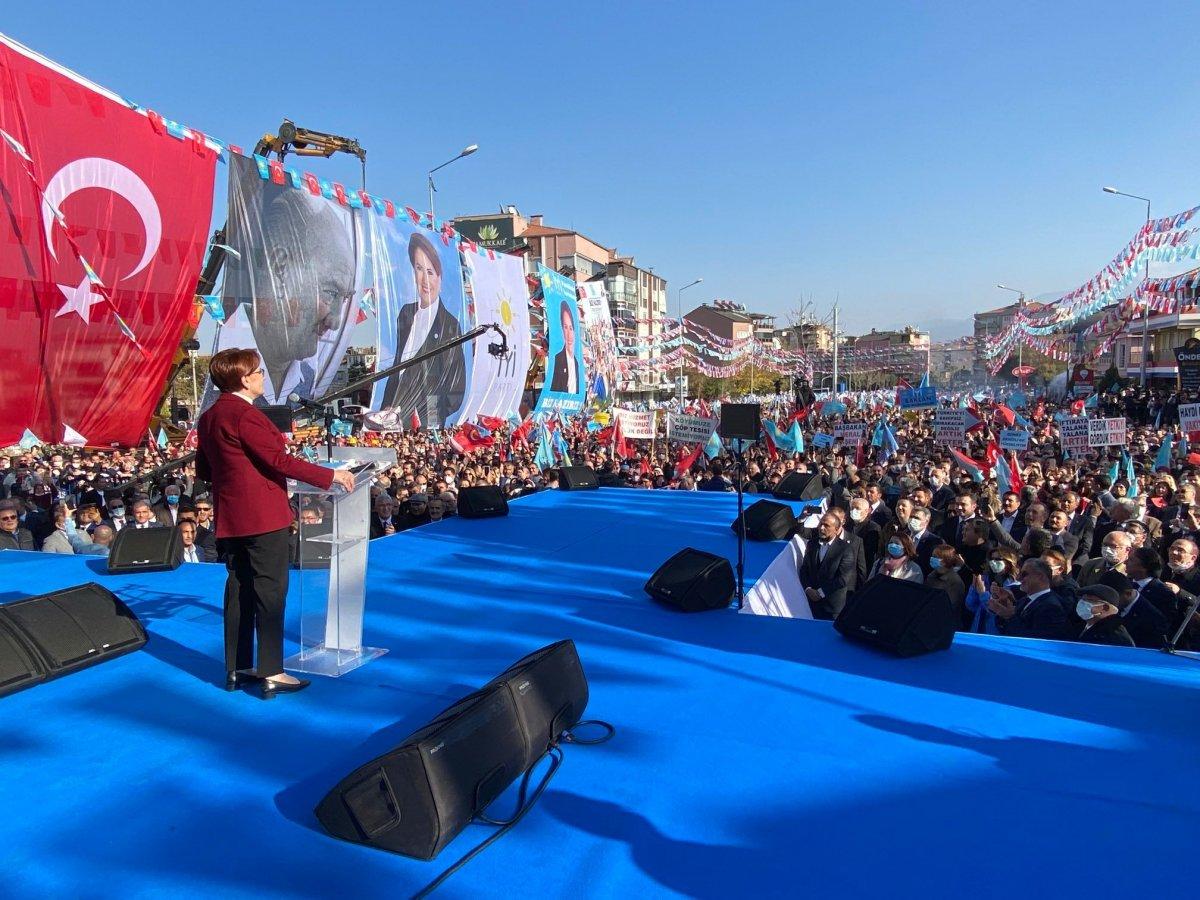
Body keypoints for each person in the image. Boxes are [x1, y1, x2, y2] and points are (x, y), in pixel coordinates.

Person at [197, 348, 357, 699]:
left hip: (232, 516)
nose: (262, 377)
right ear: (243, 378)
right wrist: (330, 475)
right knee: (270, 593)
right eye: (257, 372)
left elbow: (205, 470)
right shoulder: (246, 415)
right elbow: (278, 460)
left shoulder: (210, 416)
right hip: (263, 516)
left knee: (238, 590)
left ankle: (237, 668)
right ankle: (271, 671)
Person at [379, 231, 467, 426]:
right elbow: (397, 368)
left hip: (425, 420)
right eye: (419, 269)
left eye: (430, 272)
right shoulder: (406, 314)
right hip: (393, 419)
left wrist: (426, 414)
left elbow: (455, 389)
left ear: (440, 278)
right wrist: (386, 408)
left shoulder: (450, 325)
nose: (425, 280)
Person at [988, 557, 1068, 640]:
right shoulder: (1024, 600)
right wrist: (1003, 608)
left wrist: (1010, 617)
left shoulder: (1052, 607)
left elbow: (1035, 640)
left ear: (1040, 576)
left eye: (1024, 574)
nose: (1018, 578)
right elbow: (1004, 629)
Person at [800, 512, 855, 619]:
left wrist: (821, 593)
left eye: (826, 526)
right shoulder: (812, 544)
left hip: (831, 608)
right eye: (821, 524)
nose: (821, 528)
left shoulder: (845, 549)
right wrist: (808, 589)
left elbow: (843, 579)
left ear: (836, 529)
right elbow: (804, 569)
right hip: (809, 604)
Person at [925, 544, 968, 628]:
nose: (932, 559)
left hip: (945, 625)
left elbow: (950, 606)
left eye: (935, 557)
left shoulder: (955, 582)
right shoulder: (931, 576)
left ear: (944, 561)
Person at [549, 299, 582, 394]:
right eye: (565, 327)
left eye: (571, 328)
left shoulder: (576, 362)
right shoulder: (558, 360)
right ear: (562, 330)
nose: (569, 334)